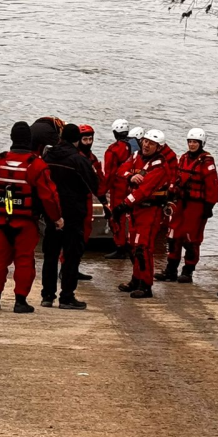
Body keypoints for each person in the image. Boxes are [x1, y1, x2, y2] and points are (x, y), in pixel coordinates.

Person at [0, 121, 64, 313]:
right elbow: (49, 196)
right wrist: (57, 218)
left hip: (1, 220)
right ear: (29, 140)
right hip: (26, 222)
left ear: (12, 138)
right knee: (24, 260)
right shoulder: (37, 165)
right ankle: (20, 301)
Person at [40, 123, 99, 309]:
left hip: (53, 213)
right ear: (77, 140)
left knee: (50, 255)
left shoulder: (47, 156)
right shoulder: (79, 160)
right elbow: (93, 185)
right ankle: (66, 297)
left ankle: (47, 296)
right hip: (73, 213)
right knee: (71, 256)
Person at [111, 128, 175, 298]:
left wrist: (123, 205)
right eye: (145, 141)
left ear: (159, 147)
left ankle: (146, 285)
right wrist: (131, 175)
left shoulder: (160, 167)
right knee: (133, 245)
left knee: (143, 248)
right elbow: (120, 171)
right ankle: (136, 279)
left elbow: (144, 191)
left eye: (151, 143)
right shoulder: (135, 156)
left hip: (150, 211)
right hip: (136, 210)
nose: (146, 145)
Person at [156, 128, 218, 283]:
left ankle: (188, 271)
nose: (191, 145)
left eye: (195, 142)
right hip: (180, 203)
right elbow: (177, 178)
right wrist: (170, 192)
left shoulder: (207, 162)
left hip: (196, 206)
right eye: (190, 142)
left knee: (191, 239)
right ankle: (170, 271)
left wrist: (209, 207)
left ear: (201, 143)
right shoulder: (183, 158)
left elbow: (212, 186)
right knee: (173, 236)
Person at [102, 119, 134, 259]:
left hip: (119, 186)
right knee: (132, 216)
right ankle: (131, 244)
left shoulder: (113, 149)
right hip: (133, 186)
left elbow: (109, 173)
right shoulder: (137, 144)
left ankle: (120, 247)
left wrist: (102, 190)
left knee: (116, 216)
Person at [74, 124, 101, 280]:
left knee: (84, 234)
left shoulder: (92, 158)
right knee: (74, 236)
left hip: (87, 199)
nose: (88, 142)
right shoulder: (76, 158)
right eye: (85, 139)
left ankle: (74, 266)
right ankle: (66, 268)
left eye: (91, 139)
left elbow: (99, 179)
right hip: (76, 201)